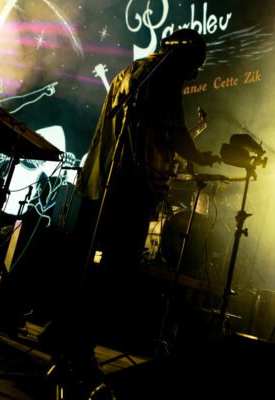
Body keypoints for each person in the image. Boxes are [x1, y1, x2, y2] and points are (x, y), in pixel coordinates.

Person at [38, 28, 220, 390]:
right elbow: (174, 130)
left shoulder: (131, 71)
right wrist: (199, 157)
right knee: (116, 273)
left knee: (87, 265)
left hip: (100, 179)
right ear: (183, 54)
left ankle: (63, 336)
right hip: (129, 188)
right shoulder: (165, 75)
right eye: (195, 65)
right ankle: (80, 352)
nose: (194, 74)